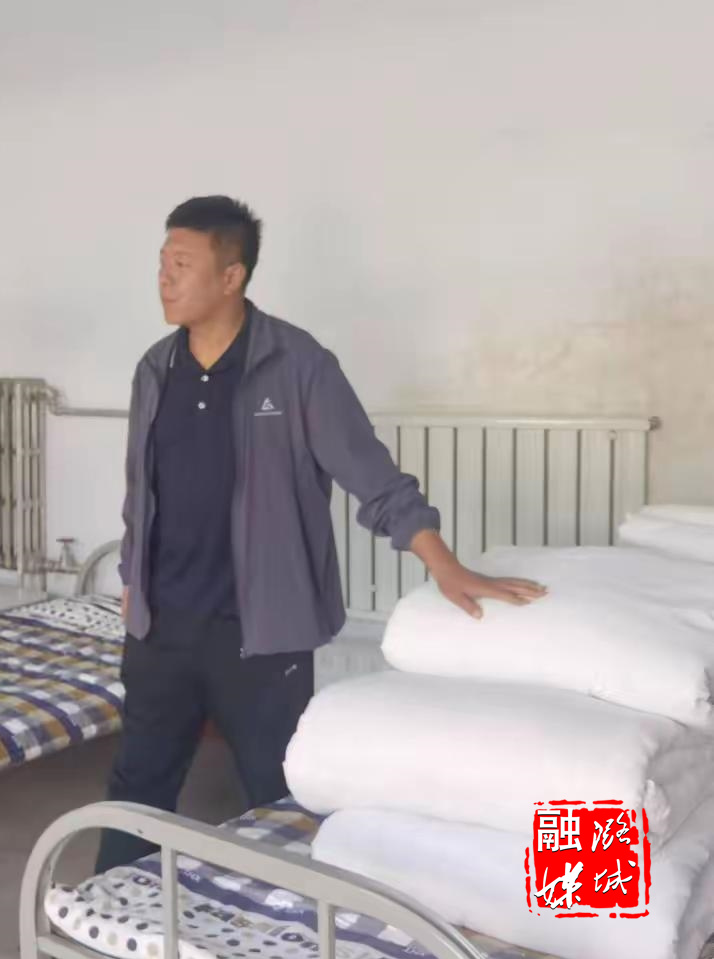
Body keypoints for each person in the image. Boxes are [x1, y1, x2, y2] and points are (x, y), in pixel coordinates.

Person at [97, 197, 547, 871]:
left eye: (181, 265)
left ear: (231, 276)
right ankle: (100, 913)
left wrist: (444, 564)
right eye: (162, 263)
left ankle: (298, 919)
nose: (164, 278)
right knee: (138, 785)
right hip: (162, 625)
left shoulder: (297, 365)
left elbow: (373, 475)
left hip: (261, 631)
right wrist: (133, 577)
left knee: (281, 796)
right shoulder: (154, 369)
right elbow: (142, 491)